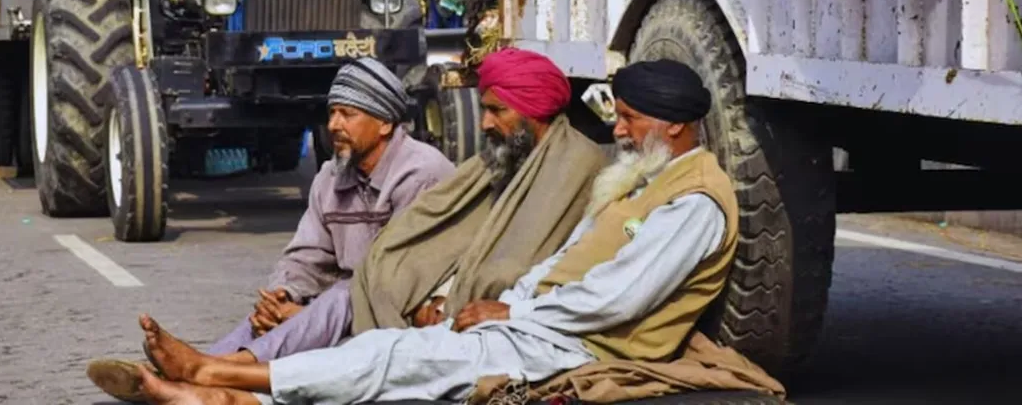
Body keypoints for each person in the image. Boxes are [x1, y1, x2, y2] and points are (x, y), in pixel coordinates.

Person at [128, 59, 750, 405]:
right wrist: (511, 303)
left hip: (584, 344)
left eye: (631, 120)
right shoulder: (636, 181)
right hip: (544, 322)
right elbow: (560, 263)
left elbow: (618, 299)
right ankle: (229, 392)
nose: (616, 131)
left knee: (395, 356)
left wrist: (513, 311)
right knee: (394, 360)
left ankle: (218, 379)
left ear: (671, 127)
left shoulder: (693, 202)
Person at [88, 58, 456, 401]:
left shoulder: (421, 173)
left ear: (385, 123)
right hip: (341, 310)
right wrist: (283, 297)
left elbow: (395, 280)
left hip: (397, 312)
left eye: (347, 114)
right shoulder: (331, 176)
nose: (333, 125)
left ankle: (205, 371)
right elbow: (306, 255)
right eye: (331, 113)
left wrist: (305, 319)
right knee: (274, 320)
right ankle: (189, 374)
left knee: (343, 294)